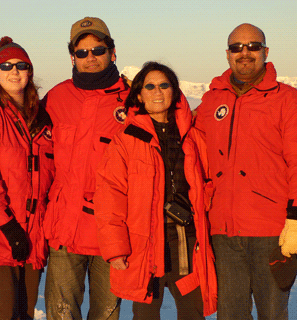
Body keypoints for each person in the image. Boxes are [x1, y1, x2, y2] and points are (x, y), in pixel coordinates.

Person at [94, 61, 217, 320]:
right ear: (139, 95)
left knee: (193, 311)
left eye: (164, 85)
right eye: (150, 86)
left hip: (187, 242)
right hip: (145, 246)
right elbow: (110, 195)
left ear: (174, 92)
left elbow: (210, 182)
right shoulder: (126, 139)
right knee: (146, 313)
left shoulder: (192, 136)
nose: (157, 92)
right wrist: (116, 248)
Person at [194, 23, 297, 319]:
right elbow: (192, 150)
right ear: (227, 54)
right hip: (223, 231)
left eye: (253, 46)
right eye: (237, 47)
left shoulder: (287, 100)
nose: (245, 53)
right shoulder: (212, 100)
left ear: (265, 52)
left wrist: (295, 218)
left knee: (272, 312)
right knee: (231, 313)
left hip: (272, 231)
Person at [42, 17, 130, 319]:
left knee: (106, 313)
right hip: (66, 228)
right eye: (82, 52)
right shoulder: (56, 98)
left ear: (113, 52)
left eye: (98, 50)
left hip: (114, 231)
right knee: (61, 313)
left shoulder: (133, 100)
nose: (90, 57)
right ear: (72, 57)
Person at [0, 37, 54, 320]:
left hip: (33, 237)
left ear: (30, 71)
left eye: (21, 65)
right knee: (1, 312)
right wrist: (9, 228)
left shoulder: (42, 121)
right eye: (5, 66)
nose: (14, 71)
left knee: (24, 314)